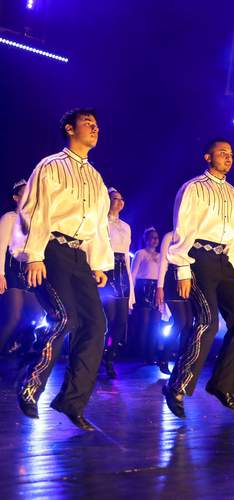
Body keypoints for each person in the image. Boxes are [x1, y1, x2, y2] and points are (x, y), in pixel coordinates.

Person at [11, 108, 114, 431]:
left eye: (97, 124)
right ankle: (30, 382)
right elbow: (36, 211)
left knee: (96, 325)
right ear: (70, 129)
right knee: (64, 316)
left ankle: (72, 401)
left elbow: (98, 225)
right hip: (51, 250)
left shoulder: (96, 178)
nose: (95, 128)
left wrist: (98, 262)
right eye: (88, 123)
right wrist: (34, 255)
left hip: (79, 256)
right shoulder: (51, 166)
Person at [162, 138, 234, 419]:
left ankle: (222, 385)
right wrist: (182, 268)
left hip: (224, 262)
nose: (228, 157)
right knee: (207, 322)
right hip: (198, 258)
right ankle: (177, 386)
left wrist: (232, 266)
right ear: (207, 157)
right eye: (222, 153)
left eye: (231, 154)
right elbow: (183, 229)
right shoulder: (194, 188)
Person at [0, 180, 42, 359]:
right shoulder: (9, 218)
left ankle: (18, 346)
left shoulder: (33, 221)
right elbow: (1, 246)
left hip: (27, 272)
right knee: (13, 317)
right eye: (24, 191)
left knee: (36, 314)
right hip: (10, 269)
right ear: (16, 198)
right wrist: (0, 274)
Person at [100, 187, 135, 378]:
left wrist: (131, 289)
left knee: (121, 322)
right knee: (109, 318)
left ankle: (109, 357)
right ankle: (98, 356)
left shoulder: (126, 227)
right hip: (106, 268)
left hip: (122, 272)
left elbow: (127, 257)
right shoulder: (100, 222)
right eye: (115, 198)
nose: (120, 202)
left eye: (122, 199)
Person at [156, 231, 194, 375]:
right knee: (180, 322)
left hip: (189, 279)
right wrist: (160, 287)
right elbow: (163, 263)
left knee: (189, 323)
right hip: (172, 280)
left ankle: (181, 361)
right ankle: (164, 358)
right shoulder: (169, 236)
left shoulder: (192, 234)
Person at [131, 227, 161, 364]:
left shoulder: (161, 256)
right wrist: (131, 295)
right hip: (143, 287)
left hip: (156, 288)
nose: (155, 240)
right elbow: (133, 275)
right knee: (144, 323)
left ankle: (151, 353)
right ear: (146, 239)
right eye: (152, 237)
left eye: (157, 238)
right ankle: (141, 353)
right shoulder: (140, 254)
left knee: (155, 323)